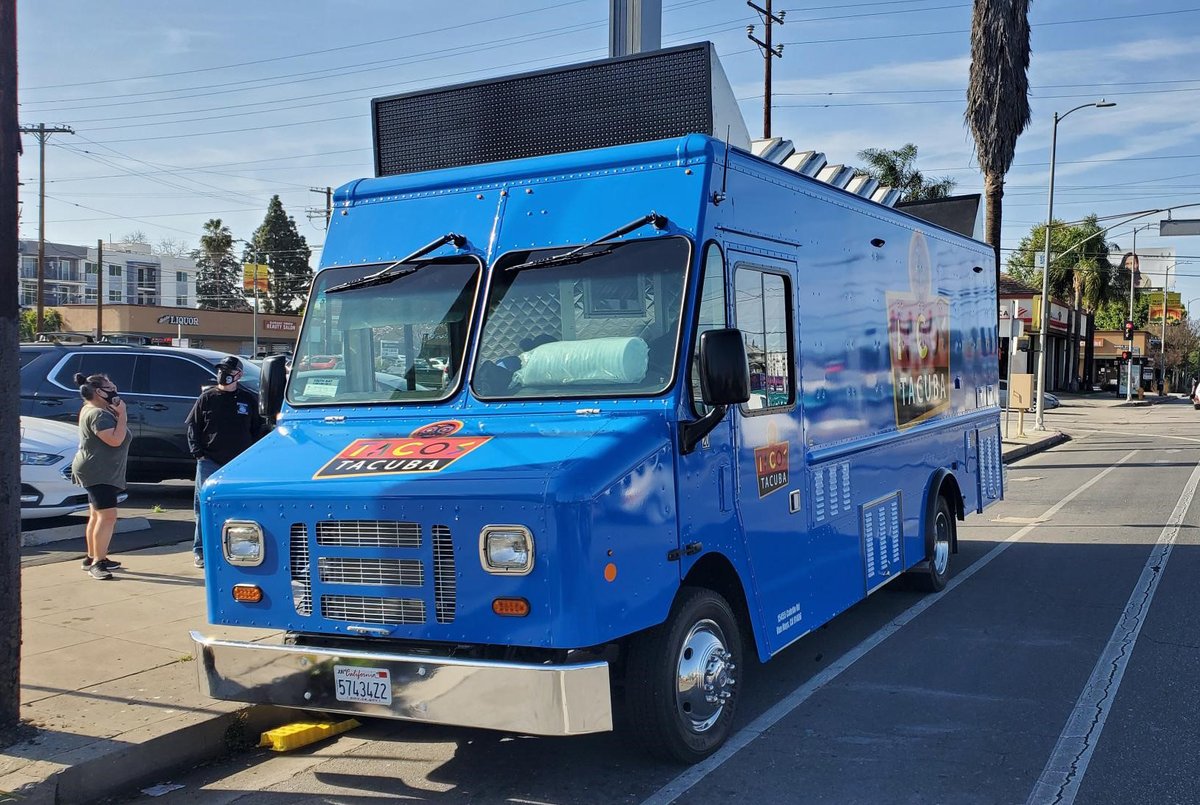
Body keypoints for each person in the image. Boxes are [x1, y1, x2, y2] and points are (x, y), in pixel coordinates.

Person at [186, 356, 263, 568]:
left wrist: (251, 456)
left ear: (238, 375)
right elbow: (193, 426)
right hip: (210, 460)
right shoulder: (207, 397)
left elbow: (258, 429)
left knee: (240, 506)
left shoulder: (248, 399)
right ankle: (200, 550)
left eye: (229, 370)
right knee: (203, 507)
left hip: (239, 463)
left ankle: (240, 547)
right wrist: (198, 453)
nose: (224, 373)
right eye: (221, 370)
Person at [71, 372, 132, 581]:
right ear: (99, 392)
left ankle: (93, 557)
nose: (114, 390)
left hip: (99, 469)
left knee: (97, 515)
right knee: (108, 516)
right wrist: (122, 415)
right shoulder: (98, 414)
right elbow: (114, 440)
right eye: (110, 386)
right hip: (98, 471)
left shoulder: (99, 410)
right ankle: (97, 563)